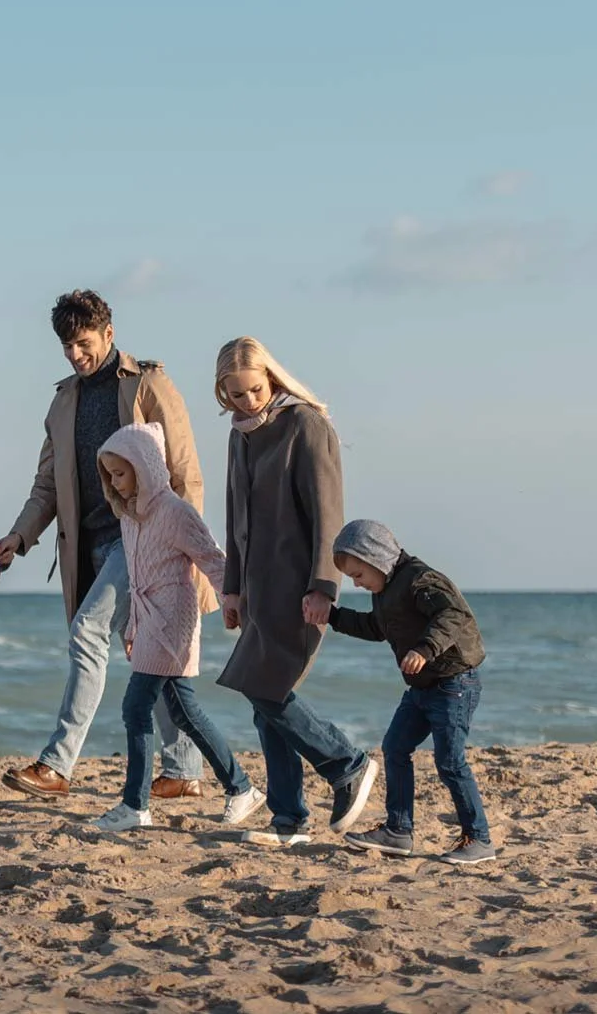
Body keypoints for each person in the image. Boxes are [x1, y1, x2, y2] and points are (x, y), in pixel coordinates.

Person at [0, 289, 208, 801]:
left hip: (146, 540)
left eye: (84, 343)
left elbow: (185, 473)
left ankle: (57, 765)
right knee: (148, 651)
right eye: (67, 347)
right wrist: (19, 537)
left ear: (109, 333)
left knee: (88, 631)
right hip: (89, 548)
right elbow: (47, 486)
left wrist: (190, 548)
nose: (76, 355)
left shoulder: (149, 385)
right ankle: (183, 769)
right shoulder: (63, 401)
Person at [214, 336, 378, 846]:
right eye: (235, 396)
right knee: (263, 698)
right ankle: (288, 821)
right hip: (256, 592)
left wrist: (324, 586)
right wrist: (232, 589)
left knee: (266, 689)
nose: (247, 403)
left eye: (255, 391)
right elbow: (234, 516)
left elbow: (329, 512)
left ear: (272, 379)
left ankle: (346, 763)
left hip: (296, 586)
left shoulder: (305, 424)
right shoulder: (239, 437)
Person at [86, 423, 264, 833]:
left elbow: (212, 558)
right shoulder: (129, 518)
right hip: (148, 620)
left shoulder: (176, 511)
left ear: (145, 467)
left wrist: (232, 602)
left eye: (121, 473)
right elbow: (134, 576)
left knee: (136, 707)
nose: (115, 482)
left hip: (174, 619)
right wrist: (131, 627)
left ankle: (135, 805)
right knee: (184, 711)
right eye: (110, 475)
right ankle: (240, 787)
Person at [325, 519, 497, 865]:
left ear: (376, 560)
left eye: (359, 575)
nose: (357, 584)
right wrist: (332, 616)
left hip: (454, 684)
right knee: (395, 747)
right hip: (421, 689)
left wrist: (424, 649)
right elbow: (376, 627)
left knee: (449, 761)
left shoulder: (421, 580)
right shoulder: (384, 592)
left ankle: (478, 838)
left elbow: (453, 614)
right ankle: (398, 831)